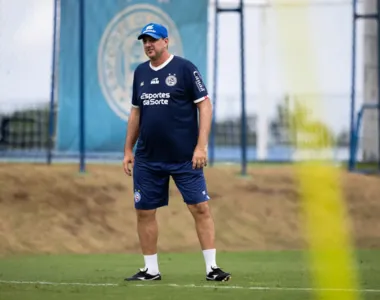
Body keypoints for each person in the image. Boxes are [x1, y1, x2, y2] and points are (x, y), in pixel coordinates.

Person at [122, 22, 231, 282]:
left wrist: (201, 146)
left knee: (200, 208)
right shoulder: (140, 73)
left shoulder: (184, 68)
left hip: (185, 158)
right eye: (145, 41)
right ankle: (151, 270)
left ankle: (212, 268)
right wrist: (128, 149)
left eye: (153, 40)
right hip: (148, 159)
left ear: (166, 41)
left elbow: (205, 105)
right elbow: (136, 112)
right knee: (144, 211)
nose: (148, 45)